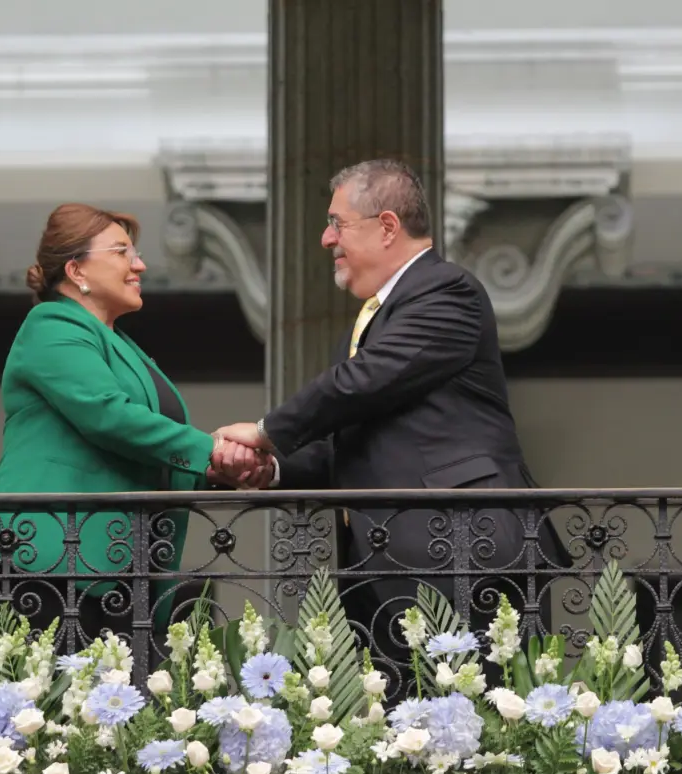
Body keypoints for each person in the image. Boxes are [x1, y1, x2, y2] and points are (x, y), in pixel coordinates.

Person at [215, 159, 570, 678]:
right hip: (392, 563)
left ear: (386, 226)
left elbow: (366, 380)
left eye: (337, 223)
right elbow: (348, 437)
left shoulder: (448, 291)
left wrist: (267, 432)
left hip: (463, 549)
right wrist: (269, 471)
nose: (324, 238)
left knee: (486, 730)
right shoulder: (378, 317)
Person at [0, 203, 266, 636]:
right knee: (50, 700)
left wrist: (222, 470)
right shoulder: (51, 326)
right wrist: (211, 450)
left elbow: (148, 454)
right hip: (48, 560)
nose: (139, 264)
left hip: (110, 564)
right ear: (76, 269)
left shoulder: (117, 343)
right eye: (122, 251)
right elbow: (107, 417)